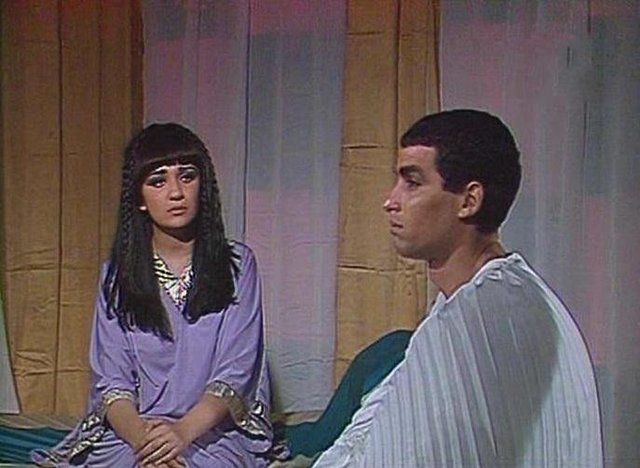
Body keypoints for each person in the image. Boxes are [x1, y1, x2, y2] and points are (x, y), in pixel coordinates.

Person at [314, 109, 602, 467]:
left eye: (412, 183)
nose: (390, 201)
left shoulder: (489, 311)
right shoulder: (486, 295)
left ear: (469, 201)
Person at [32, 123, 272, 467]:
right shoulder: (117, 275)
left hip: (209, 431)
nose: (176, 192)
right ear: (139, 198)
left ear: (203, 185)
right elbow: (112, 382)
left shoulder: (238, 265)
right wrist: (148, 446)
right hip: (135, 432)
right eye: (158, 181)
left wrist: (181, 434)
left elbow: (236, 371)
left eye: (187, 177)